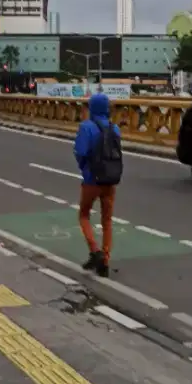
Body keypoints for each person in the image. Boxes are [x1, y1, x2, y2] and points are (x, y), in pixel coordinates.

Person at [74, 92, 122, 278]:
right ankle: (106, 258)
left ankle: (95, 251)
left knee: (84, 215)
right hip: (110, 180)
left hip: (91, 180)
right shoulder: (114, 128)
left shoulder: (86, 127)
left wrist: (84, 168)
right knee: (107, 220)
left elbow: (80, 152)